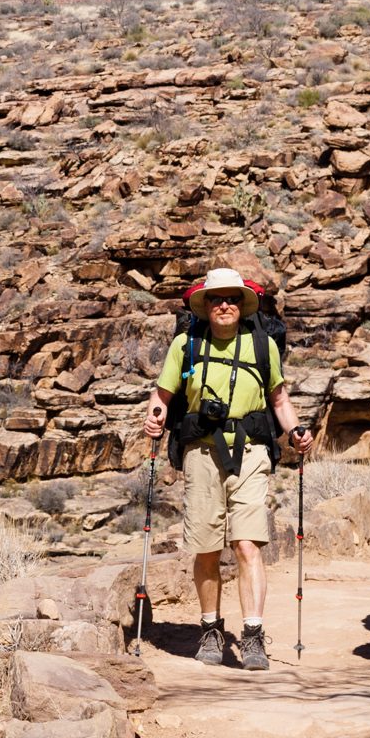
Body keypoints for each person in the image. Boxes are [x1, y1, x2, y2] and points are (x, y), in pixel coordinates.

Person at [142, 266, 315, 670]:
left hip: (251, 452)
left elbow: (279, 400)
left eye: (233, 298)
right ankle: (210, 630)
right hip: (202, 454)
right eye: (217, 298)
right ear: (205, 304)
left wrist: (296, 432)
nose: (225, 304)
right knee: (205, 546)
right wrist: (153, 416)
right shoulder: (185, 345)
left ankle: (252, 636)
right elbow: (162, 395)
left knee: (246, 542)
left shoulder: (261, 346)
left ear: (242, 304)